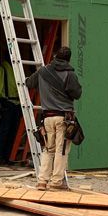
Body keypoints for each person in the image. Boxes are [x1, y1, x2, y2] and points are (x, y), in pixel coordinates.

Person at [26, 46, 82, 190]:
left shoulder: (43, 71)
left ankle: (42, 181)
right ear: (68, 59)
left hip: (47, 118)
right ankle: (56, 182)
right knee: (61, 150)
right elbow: (77, 94)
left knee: (48, 150)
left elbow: (29, 83)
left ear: (56, 56)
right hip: (64, 118)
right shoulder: (69, 74)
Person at [0, 57, 22, 165]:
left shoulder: (15, 70)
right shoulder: (1, 70)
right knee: (4, 131)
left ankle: (8, 156)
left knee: (13, 132)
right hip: (7, 104)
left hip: (16, 104)